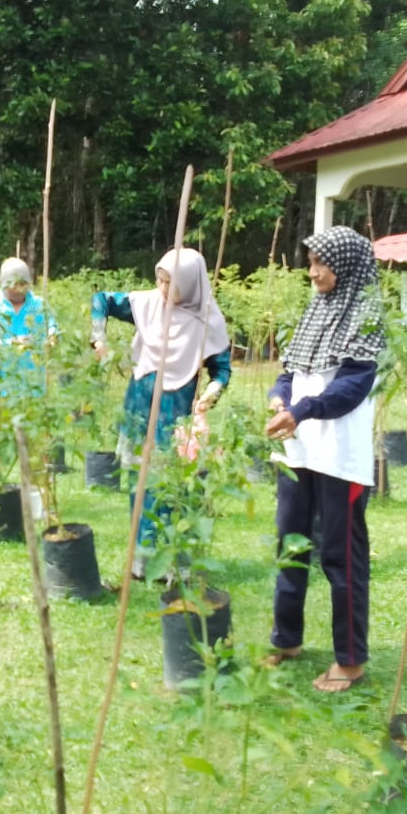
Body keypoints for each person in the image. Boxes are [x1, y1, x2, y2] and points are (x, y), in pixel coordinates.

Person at [263, 225, 386, 692]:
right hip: (299, 449)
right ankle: (286, 637)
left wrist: (303, 410)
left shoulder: (367, 316)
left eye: (322, 263)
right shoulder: (316, 310)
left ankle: (350, 661)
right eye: (310, 263)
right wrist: (280, 399)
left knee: (341, 556)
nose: (313, 272)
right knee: (290, 543)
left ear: (348, 264)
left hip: (339, 457)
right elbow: (290, 371)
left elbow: (351, 387)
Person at [90, 247, 231, 579]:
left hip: (175, 413)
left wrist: (212, 392)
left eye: (171, 283)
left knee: (170, 487)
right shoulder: (148, 303)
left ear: (189, 284)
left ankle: (173, 565)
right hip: (139, 405)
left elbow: (221, 371)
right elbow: (101, 299)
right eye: (160, 280)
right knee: (139, 485)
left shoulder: (206, 319)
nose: (163, 289)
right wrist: (99, 340)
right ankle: (141, 561)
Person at [0, 257, 58, 514]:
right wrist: (12, 343)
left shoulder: (40, 306)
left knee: (36, 445)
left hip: (32, 388)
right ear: (2, 283)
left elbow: (52, 331)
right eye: (12, 284)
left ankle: (41, 503)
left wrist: (50, 340)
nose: (17, 289)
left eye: (22, 284)